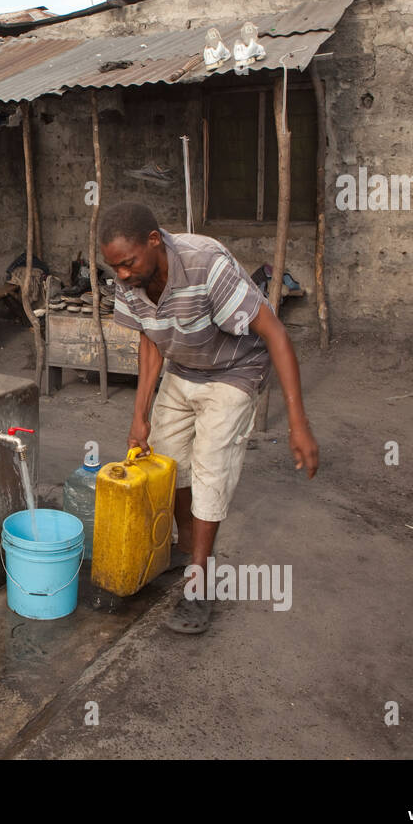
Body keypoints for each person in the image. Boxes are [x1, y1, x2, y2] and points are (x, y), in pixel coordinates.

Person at [99, 202, 319, 635]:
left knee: (210, 470)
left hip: (234, 370)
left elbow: (274, 332)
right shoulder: (129, 278)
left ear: (154, 241)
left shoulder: (206, 264)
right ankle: (185, 550)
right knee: (167, 462)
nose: (122, 275)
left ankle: (200, 581)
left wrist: (299, 424)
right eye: (114, 267)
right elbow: (150, 339)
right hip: (183, 367)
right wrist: (139, 416)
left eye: (127, 264)